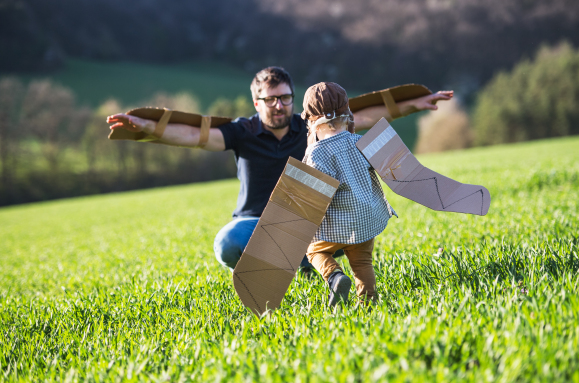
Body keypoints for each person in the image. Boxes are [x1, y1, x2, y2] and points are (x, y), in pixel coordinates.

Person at [107, 67, 453, 273]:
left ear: (293, 98)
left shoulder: (311, 128)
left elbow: (359, 116)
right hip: (255, 223)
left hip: (308, 223)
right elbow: (194, 136)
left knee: (336, 230)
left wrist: (414, 104)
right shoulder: (242, 132)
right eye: (270, 99)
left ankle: (308, 262)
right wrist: (148, 127)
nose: (278, 105)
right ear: (257, 103)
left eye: (285, 98)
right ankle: (299, 264)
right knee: (228, 243)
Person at [302, 82, 393, 306]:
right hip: (365, 219)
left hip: (336, 224)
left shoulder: (317, 153)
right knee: (362, 262)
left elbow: (312, 195)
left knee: (313, 251)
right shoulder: (361, 142)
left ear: (312, 122)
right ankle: (368, 302)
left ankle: (334, 276)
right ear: (348, 115)